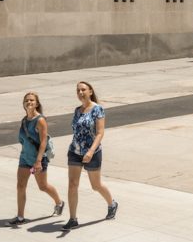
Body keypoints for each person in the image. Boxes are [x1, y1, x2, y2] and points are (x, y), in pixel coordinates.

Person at [63, 81, 118, 231]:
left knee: (96, 186)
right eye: (78, 90)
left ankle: (112, 204)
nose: (80, 92)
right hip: (75, 151)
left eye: (83, 90)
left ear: (90, 91)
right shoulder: (77, 110)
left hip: (92, 152)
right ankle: (73, 219)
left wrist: (90, 151)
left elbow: (100, 133)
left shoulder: (97, 109)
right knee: (72, 185)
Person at [8, 92, 64, 226]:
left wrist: (38, 161)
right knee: (20, 186)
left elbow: (43, 142)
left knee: (42, 186)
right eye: (26, 100)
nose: (29, 102)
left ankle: (59, 202)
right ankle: (20, 217)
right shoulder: (24, 120)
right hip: (25, 158)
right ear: (23, 104)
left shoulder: (40, 120)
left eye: (32, 100)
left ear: (37, 103)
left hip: (37, 159)